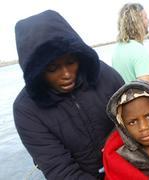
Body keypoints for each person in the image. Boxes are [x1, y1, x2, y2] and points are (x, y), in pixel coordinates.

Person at [13, 10, 124, 179]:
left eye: (71, 62)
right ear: (37, 72)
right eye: (52, 68)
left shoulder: (103, 74)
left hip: (128, 167)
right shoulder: (26, 110)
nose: (66, 73)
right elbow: (60, 171)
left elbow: (132, 118)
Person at [112, 3, 149, 93]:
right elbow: (146, 90)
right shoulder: (138, 50)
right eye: (145, 18)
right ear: (137, 22)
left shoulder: (117, 50)